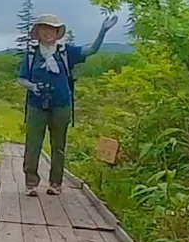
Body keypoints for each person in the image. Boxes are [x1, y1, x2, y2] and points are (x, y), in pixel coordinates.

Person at [18, 12, 119, 195]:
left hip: (61, 104)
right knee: (33, 144)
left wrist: (103, 31)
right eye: (45, 28)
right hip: (36, 104)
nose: (49, 32)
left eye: (53, 29)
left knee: (58, 145)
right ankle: (30, 183)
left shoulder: (66, 52)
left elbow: (91, 50)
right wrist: (32, 86)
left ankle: (55, 183)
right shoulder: (32, 54)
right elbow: (21, 79)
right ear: (38, 31)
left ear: (57, 33)